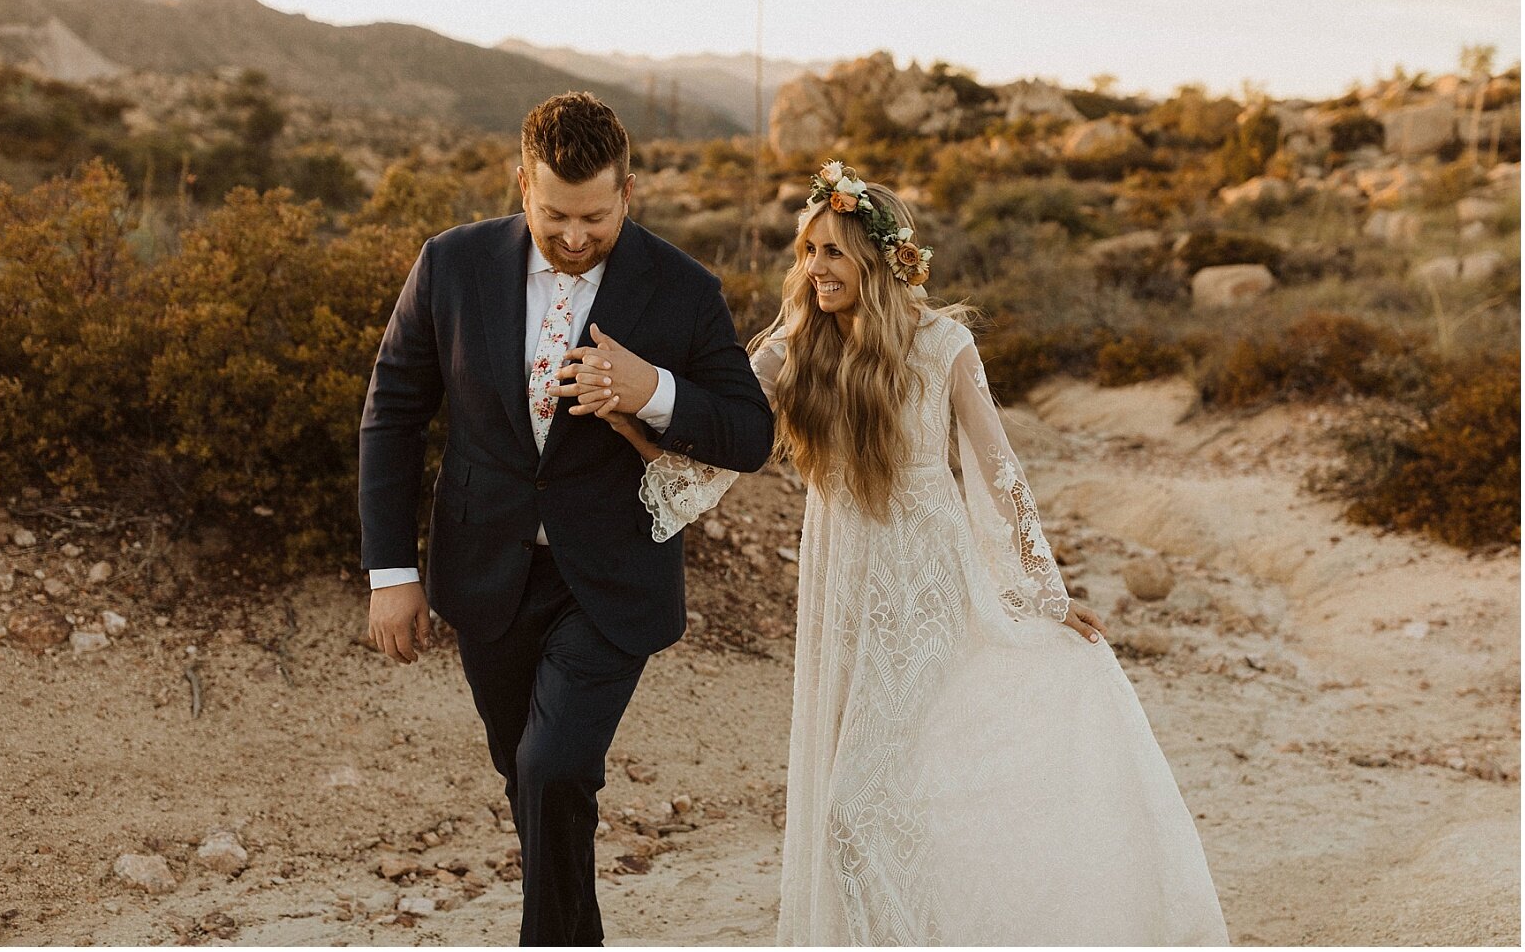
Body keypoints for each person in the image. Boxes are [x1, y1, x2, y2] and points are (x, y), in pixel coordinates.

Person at [589, 161, 1231, 945]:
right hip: (842, 583)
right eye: (808, 251)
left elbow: (998, 470)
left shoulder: (941, 343)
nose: (815, 269)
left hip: (926, 584)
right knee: (877, 796)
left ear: (879, 259)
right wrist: (640, 435)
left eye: (833, 252)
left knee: (856, 805)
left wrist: (1044, 593)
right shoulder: (794, 345)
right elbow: (727, 441)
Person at [357, 91, 774, 946]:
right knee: (529, 775)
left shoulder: (685, 290)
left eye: (595, 215)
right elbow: (391, 413)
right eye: (556, 215)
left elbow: (751, 433)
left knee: (553, 768)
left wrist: (652, 391)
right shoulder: (451, 264)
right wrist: (393, 574)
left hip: (612, 582)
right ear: (522, 185)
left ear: (628, 191)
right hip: (486, 574)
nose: (576, 236)